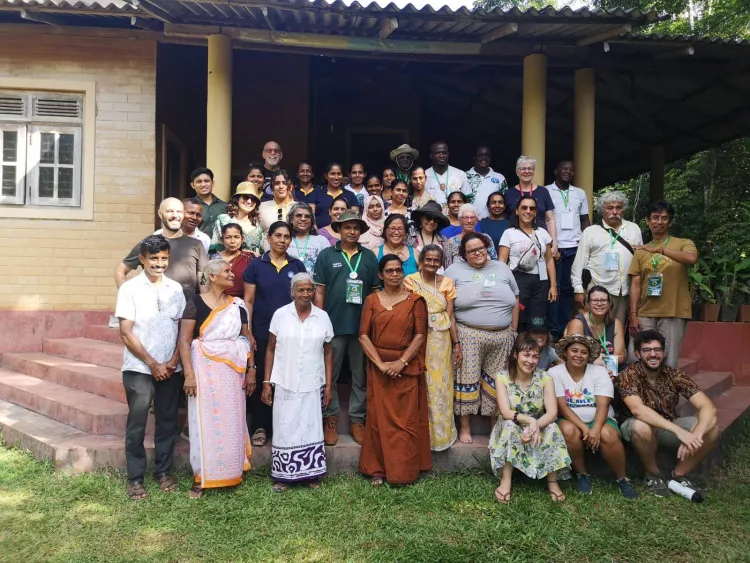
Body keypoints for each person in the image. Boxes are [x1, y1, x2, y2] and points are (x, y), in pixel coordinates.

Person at [115, 235, 186, 500]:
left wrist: (173, 360)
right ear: (142, 259)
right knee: (137, 422)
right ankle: (135, 478)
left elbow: (182, 329)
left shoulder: (175, 289)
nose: (159, 263)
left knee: (167, 422)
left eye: (164, 258)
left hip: (170, 369)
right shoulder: (129, 289)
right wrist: (152, 363)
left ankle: (164, 472)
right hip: (139, 368)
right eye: (153, 259)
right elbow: (125, 332)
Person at [178, 259, 252, 499]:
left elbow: (246, 339)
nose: (233, 275)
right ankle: (202, 476)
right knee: (203, 421)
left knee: (232, 420)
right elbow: (184, 341)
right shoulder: (195, 304)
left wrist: (251, 368)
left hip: (232, 373)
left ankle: (231, 470)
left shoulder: (237, 306)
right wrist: (188, 374)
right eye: (227, 271)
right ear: (211, 276)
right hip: (204, 372)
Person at [358, 254, 431, 485]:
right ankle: (377, 469)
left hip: (406, 367)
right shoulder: (371, 300)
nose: (394, 274)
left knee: (405, 421)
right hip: (378, 367)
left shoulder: (416, 300)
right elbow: (363, 335)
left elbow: (420, 335)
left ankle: (404, 472)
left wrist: (402, 362)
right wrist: (380, 364)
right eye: (389, 271)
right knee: (378, 420)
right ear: (380, 275)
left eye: (398, 270)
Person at [619, 330, 719, 497]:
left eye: (657, 350)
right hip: (637, 425)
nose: (653, 354)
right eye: (647, 350)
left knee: (711, 428)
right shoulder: (628, 375)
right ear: (637, 353)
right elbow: (638, 410)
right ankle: (653, 474)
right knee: (641, 426)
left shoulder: (674, 375)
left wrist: (695, 435)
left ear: (663, 353)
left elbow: (708, 407)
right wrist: (680, 432)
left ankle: (679, 475)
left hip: (668, 426)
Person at [313, 211, 381, 446]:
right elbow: (319, 291)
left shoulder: (369, 257)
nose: (352, 231)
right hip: (333, 326)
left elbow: (375, 293)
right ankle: (330, 418)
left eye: (356, 228)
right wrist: (320, 321)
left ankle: (357, 419)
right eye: (347, 227)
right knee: (328, 375)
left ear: (361, 232)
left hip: (362, 329)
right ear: (339, 230)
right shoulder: (326, 255)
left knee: (359, 376)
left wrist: (373, 323)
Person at [445, 233, 519, 444]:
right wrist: (455, 340)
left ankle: (495, 427)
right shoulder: (454, 270)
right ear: (464, 255)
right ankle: (465, 427)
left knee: (497, 382)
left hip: (502, 335)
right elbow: (447, 305)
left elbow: (515, 297)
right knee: (465, 381)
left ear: (487, 248)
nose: (477, 253)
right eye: (471, 251)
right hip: (468, 333)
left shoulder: (502, 268)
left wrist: (513, 330)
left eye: (480, 248)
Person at [263, 273, 334, 491]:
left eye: (309, 290)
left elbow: (328, 353)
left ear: (314, 292)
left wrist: (329, 385)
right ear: (292, 292)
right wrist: (267, 382)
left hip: (312, 382)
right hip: (285, 381)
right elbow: (271, 349)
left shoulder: (322, 317)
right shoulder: (280, 315)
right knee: (285, 428)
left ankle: (311, 475)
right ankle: (283, 477)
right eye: (300, 290)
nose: (305, 294)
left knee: (311, 428)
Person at [242, 222, 307, 447]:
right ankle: (260, 425)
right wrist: (247, 331)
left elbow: (303, 300)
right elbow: (248, 301)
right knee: (262, 378)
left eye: (286, 236)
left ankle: (283, 425)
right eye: (277, 235)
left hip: (290, 334)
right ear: (268, 238)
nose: (282, 240)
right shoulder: (256, 265)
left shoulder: (297, 265)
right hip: (261, 330)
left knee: (287, 379)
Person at [549, 335, 638, 499]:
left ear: (589, 355)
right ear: (566, 353)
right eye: (574, 350)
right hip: (569, 419)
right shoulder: (554, 373)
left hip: (600, 418)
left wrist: (596, 429)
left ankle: (622, 479)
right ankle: (582, 474)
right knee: (568, 431)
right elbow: (562, 407)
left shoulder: (600, 371)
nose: (578, 355)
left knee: (608, 434)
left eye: (584, 352)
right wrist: (585, 429)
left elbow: (603, 405)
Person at [489, 335, 570, 503]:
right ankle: (506, 481)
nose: (530, 360)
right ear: (515, 355)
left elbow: (552, 413)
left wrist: (534, 426)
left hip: (537, 425)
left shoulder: (545, 378)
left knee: (553, 428)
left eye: (535, 356)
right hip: (511, 423)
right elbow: (505, 411)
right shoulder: (502, 378)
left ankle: (552, 481)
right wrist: (530, 421)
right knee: (510, 426)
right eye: (526, 355)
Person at [629, 201, 698, 368]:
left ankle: (667, 394)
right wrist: (633, 313)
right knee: (636, 355)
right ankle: (639, 393)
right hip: (645, 312)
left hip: (673, 311)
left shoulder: (683, 243)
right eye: (655, 218)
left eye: (664, 218)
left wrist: (660, 250)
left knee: (668, 359)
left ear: (670, 222)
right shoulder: (641, 250)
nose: (659, 222)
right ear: (647, 221)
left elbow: (691, 258)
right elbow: (636, 284)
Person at [404, 245, 460, 451]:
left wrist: (457, 344)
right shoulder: (410, 281)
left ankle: (440, 437)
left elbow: (451, 316)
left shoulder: (447, 283)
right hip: (418, 337)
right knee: (420, 382)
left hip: (441, 340)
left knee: (440, 386)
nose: (432, 264)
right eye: (428, 259)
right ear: (421, 260)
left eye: (436, 260)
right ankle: (418, 436)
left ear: (441, 263)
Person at [571, 191, 643, 325]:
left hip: (624, 291)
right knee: (593, 329)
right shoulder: (591, 232)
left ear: (623, 210)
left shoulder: (634, 229)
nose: (614, 212)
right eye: (610, 208)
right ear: (602, 210)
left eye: (618, 207)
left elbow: (640, 260)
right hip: (597, 291)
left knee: (618, 329)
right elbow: (579, 263)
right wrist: (578, 290)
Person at [116, 198, 207, 297]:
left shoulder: (197, 244)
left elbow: (203, 278)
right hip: (153, 307)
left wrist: (204, 305)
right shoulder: (148, 243)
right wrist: (127, 297)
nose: (175, 215)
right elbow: (120, 271)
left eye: (179, 212)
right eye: (169, 211)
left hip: (187, 308)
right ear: (160, 214)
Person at [499, 195, 557, 331]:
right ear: (517, 211)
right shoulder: (509, 233)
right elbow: (502, 262)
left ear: (536, 212)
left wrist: (553, 286)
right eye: (524, 207)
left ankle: (534, 350)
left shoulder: (543, 233)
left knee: (538, 319)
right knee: (519, 318)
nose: (528, 211)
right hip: (518, 279)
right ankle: (518, 349)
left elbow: (549, 260)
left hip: (541, 281)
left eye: (532, 208)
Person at [547, 160, 591, 335]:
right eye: (564, 169)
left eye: (571, 170)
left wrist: (588, 243)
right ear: (555, 171)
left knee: (568, 288)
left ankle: (565, 326)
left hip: (574, 246)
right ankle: (552, 328)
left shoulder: (579, 193)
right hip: (554, 247)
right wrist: (549, 245)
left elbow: (584, 219)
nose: (568, 172)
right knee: (553, 287)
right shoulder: (546, 191)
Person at [565, 285, 626, 377]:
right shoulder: (578, 323)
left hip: (610, 370)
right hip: (583, 371)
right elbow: (573, 355)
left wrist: (604, 363)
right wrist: (597, 362)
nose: (599, 303)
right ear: (588, 304)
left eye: (603, 300)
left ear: (609, 304)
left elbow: (621, 356)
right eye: (595, 300)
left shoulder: (616, 323)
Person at [504, 156, 557, 251]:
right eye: (523, 168)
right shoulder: (509, 193)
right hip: (516, 243)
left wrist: (554, 243)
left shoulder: (543, 192)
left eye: (530, 168)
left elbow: (550, 219)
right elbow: (504, 219)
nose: (527, 171)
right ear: (517, 172)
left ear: (533, 171)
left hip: (541, 240)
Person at [210, 183, 263, 255]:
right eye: (245, 197)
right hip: (226, 264)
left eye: (253, 199)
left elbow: (260, 253)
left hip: (251, 265)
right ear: (237, 199)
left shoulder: (257, 227)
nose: (249, 201)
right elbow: (214, 250)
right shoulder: (223, 220)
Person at [444, 203, 497, 268]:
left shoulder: (485, 238)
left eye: (472, 217)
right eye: (466, 218)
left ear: (476, 220)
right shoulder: (451, 242)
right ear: (460, 220)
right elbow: (448, 266)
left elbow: (494, 261)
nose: (469, 221)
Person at [286, 202, 330, 276]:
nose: (303, 219)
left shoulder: (322, 241)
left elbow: (328, 267)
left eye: (307, 216)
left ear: (312, 220)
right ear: (291, 219)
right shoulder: (284, 239)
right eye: (299, 215)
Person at [466, 146, 508, 218]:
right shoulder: (465, 176)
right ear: (474, 158)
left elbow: (505, 202)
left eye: (487, 155)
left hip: (493, 221)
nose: (484, 157)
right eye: (480, 155)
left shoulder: (500, 178)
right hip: (470, 222)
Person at [315, 163, 360, 228]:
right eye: (332, 174)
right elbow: (311, 216)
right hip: (320, 234)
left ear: (342, 176)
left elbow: (355, 219)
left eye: (339, 174)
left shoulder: (350, 195)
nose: (336, 177)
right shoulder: (317, 193)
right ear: (326, 176)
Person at [425, 141, 469, 206]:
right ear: (431, 156)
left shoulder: (460, 174)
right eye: (438, 153)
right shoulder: (424, 175)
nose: (441, 155)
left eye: (444, 153)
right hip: (432, 215)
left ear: (448, 154)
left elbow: (467, 200)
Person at [214, 223, 252, 298]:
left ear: (242, 239)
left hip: (242, 302)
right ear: (222, 240)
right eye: (228, 237)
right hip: (217, 301)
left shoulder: (249, 258)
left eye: (236, 237)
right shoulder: (214, 258)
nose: (232, 241)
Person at [190, 167, 227, 236]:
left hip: (221, 246)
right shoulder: (189, 207)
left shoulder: (225, 206)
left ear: (212, 183)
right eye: (199, 181)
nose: (203, 185)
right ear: (192, 185)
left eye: (206, 181)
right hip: (197, 246)